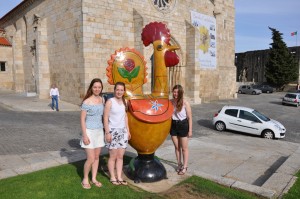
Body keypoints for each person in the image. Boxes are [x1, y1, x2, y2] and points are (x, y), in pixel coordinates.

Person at [104, 82, 131, 185]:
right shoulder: (110, 102)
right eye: (117, 90)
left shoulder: (125, 102)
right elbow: (105, 117)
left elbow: (125, 117)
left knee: (120, 156)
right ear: (114, 90)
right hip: (112, 131)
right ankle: (112, 177)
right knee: (113, 157)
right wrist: (107, 132)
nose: (119, 92)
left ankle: (119, 177)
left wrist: (128, 130)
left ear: (124, 91)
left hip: (122, 132)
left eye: (121, 90)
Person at [80, 78, 105, 189]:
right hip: (89, 132)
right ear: (91, 88)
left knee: (96, 157)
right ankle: (85, 178)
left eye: (99, 87)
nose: (97, 89)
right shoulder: (86, 102)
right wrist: (85, 135)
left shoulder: (102, 99)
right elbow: (82, 119)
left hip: (99, 132)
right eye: (95, 87)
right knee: (90, 158)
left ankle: (94, 178)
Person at [170, 84, 192, 175]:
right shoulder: (170, 102)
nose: (175, 94)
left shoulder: (185, 103)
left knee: (184, 148)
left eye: (177, 92)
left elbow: (190, 117)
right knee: (177, 147)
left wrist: (190, 130)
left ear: (181, 93)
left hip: (183, 125)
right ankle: (179, 164)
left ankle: (185, 166)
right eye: (174, 92)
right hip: (173, 125)